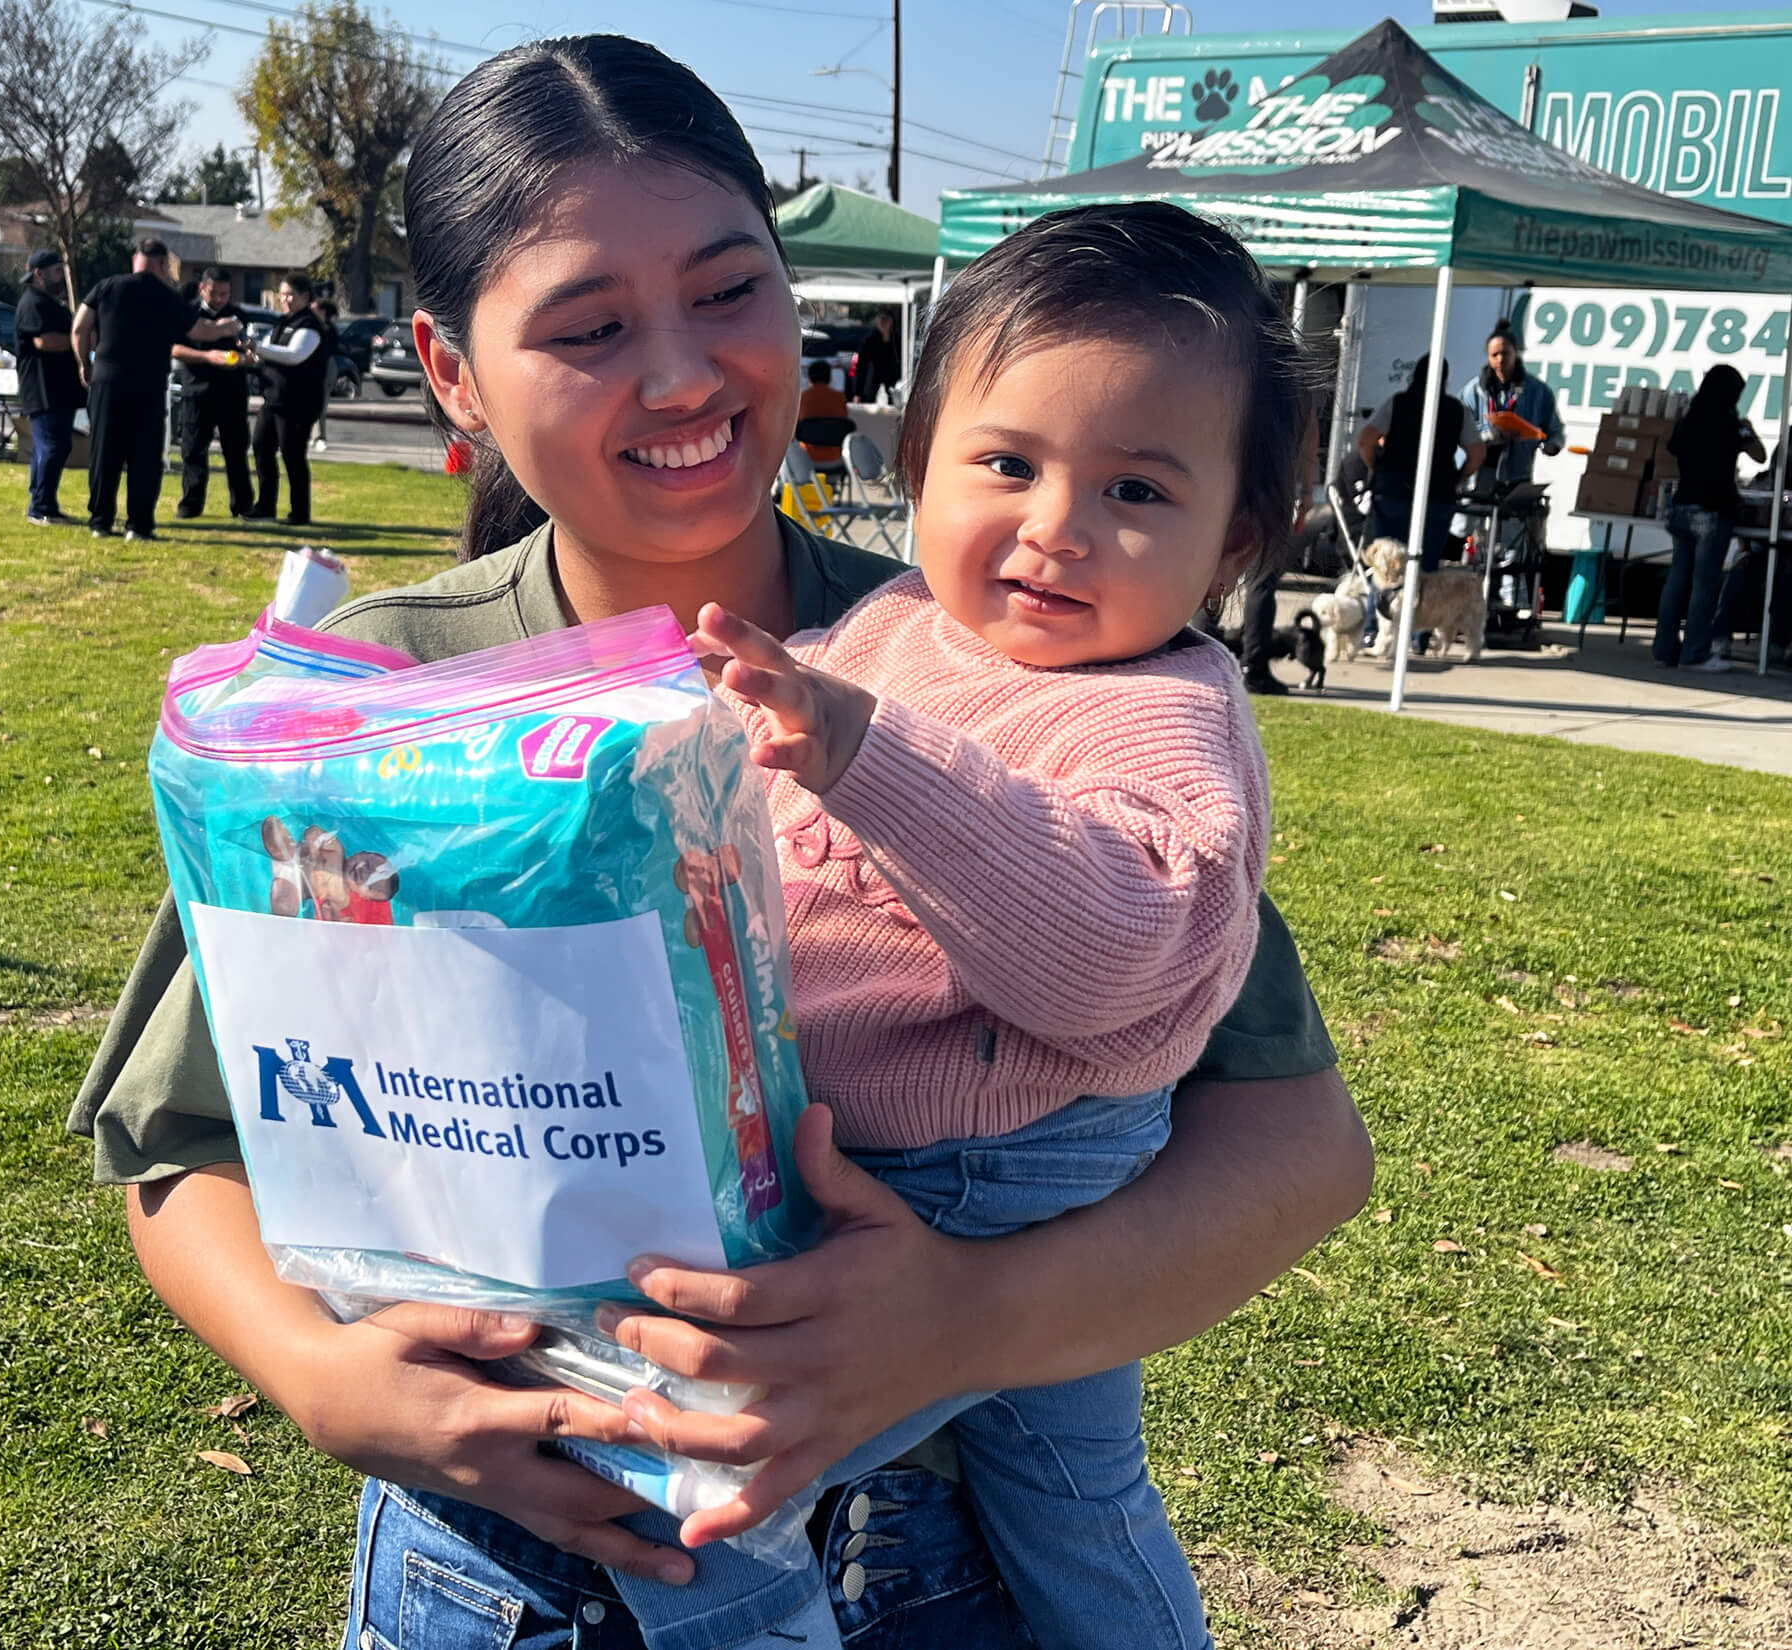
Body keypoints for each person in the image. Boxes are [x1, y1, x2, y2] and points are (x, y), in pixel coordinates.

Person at [68, 35, 1372, 1650]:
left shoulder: (971, 663)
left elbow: (1300, 1149)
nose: (683, 375)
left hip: (910, 1558)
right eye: (592, 328)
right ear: (453, 371)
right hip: (489, 1568)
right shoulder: (379, 696)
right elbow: (180, 1147)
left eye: (729, 291)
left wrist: (961, 1323)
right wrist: (323, 1377)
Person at [611, 200, 1310, 1650]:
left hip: (1005, 1164)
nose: (1057, 528)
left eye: (1136, 490)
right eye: (1008, 462)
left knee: (729, 1454)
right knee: (1072, 1486)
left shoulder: (1162, 714)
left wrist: (869, 755)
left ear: (1234, 535)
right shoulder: (893, 631)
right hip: (907, 1141)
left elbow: (1104, 947)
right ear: (917, 461)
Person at [72, 238, 244, 542]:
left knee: (104, 450)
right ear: (163, 265)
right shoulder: (165, 294)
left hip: (107, 379)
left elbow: (79, 327)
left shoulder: (107, 286)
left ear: (135, 259)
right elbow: (198, 330)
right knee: (144, 454)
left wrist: (85, 363)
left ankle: (100, 520)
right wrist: (226, 328)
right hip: (147, 382)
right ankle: (138, 525)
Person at [1657, 363, 1765, 673]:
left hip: (1681, 505)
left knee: (1677, 581)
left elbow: (1673, 447)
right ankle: (1695, 653)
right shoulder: (1731, 424)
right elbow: (1759, 454)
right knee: (1704, 586)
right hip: (1713, 510)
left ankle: (1665, 648)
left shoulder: (1690, 419)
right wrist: (1746, 431)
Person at [1359, 354, 1484, 566]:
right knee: (1425, 570)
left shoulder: (1396, 403)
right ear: (1444, 380)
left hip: (1393, 491)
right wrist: (1458, 479)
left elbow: (1365, 440)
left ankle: (1382, 600)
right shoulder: (1457, 410)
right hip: (1437, 496)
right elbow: (1478, 453)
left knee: (1386, 568)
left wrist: (1376, 467)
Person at [246, 271, 332, 527]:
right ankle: (265, 507)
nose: (284, 299)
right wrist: (254, 358)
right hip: (273, 400)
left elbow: (294, 355)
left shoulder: (310, 326)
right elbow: (271, 353)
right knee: (261, 448)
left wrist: (259, 348)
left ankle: (299, 513)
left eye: (290, 295)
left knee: (292, 456)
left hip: (298, 404)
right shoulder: (282, 322)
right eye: (282, 294)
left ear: (305, 296)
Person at [171, 265, 256, 521]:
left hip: (232, 393)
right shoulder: (188, 313)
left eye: (224, 294)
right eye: (213, 293)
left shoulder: (238, 315)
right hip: (197, 390)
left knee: (236, 451)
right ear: (202, 289)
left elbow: (249, 352)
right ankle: (191, 506)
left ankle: (242, 505)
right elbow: (174, 349)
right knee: (193, 450)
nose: (219, 299)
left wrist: (246, 354)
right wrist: (208, 357)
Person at [14, 249, 85, 524]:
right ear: (38, 274)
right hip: (42, 387)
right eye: (56, 271)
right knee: (51, 445)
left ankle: (45, 502)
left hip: (58, 387)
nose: (60, 276)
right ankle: (40, 507)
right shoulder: (33, 303)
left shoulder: (49, 302)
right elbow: (44, 341)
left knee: (57, 445)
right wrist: (79, 340)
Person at [1460, 320, 1564, 489]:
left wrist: (1552, 445)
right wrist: (1489, 436)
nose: (1500, 360)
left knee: (1511, 515)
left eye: (1505, 353)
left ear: (1515, 353)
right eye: (1494, 355)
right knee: (1474, 513)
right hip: (1481, 472)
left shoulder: (1537, 391)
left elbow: (1554, 430)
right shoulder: (1473, 390)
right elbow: (1459, 430)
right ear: (1488, 357)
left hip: (1518, 472)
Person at [794, 358, 851, 467]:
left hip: (806, 457)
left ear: (809, 378)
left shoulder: (803, 398)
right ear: (829, 378)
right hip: (836, 458)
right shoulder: (839, 398)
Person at [849, 307, 901, 403]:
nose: (883, 322)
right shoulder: (869, 341)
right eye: (881, 319)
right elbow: (859, 367)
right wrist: (857, 393)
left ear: (891, 322)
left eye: (886, 320)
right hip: (871, 386)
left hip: (892, 386)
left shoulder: (898, 341)